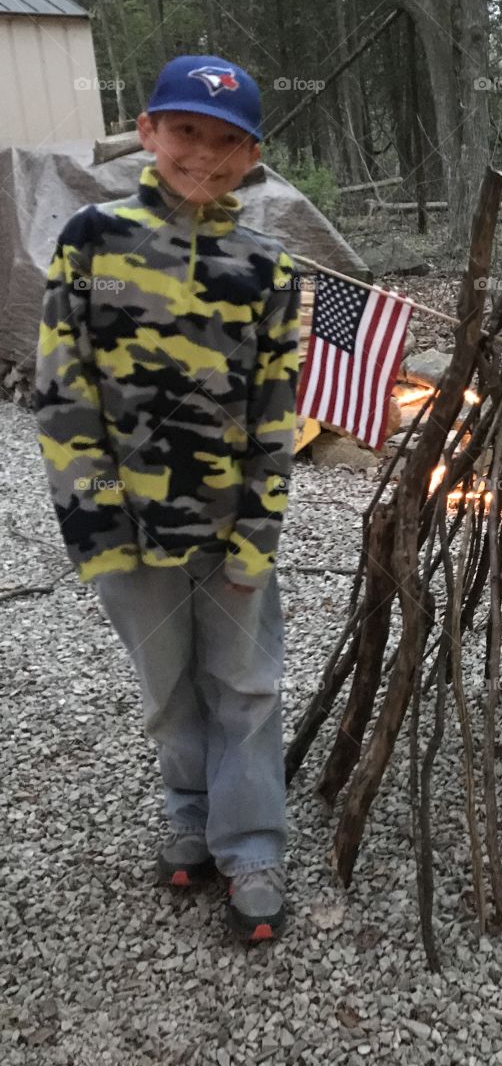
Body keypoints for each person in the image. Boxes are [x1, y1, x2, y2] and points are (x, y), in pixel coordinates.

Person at [34, 55, 301, 941]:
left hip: (229, 532)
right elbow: (65, 391)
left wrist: (258, 535)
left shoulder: (267, 268)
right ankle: (188, 808)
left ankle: (253, 844)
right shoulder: (91, 240)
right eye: (187, 131)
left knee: (246, 686)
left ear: (251, 154)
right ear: (147, 130)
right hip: (129, 525)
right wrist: (95, 522)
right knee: (167, 687)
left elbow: (274, 415)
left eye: (228, 141)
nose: (205, 155)